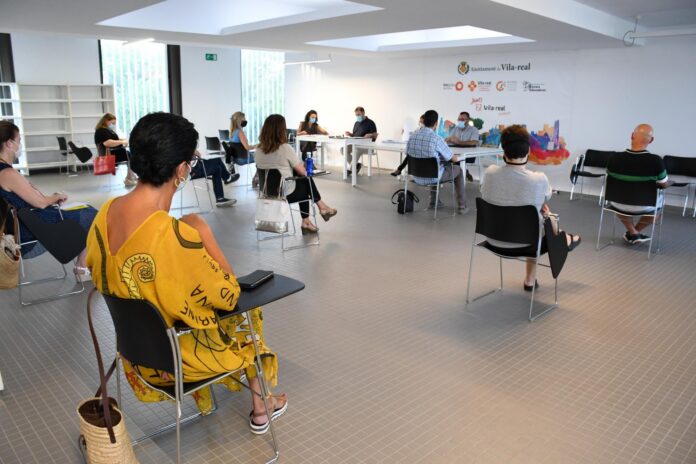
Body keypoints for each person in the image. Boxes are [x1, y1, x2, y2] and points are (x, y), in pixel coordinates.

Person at [85, 112, 287, 434]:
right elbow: (229, 294)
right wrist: (203, 232)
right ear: (181, 170)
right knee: (247, 313)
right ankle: (262, 403)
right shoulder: (173, 236)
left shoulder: (104, 213)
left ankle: (217, 403)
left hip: (136, 357)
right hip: (177, 361)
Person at [481, 124, 581, 291]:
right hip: (527, 244)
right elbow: (546, 196)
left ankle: (531, 279)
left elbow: (486, 194)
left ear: (503, 150)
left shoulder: (490, 172)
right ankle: (566, 240)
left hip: (492, 240)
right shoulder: (538, 179)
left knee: (533, 220)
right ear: (528, 151)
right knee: (543, 220)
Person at [0, 120, 97, 277]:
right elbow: (40, 202)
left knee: (86, 210)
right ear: (9, 143)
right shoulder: (8, 174)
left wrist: (50, 199)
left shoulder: (5, 172)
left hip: (23, 227)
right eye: (19, 140)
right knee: (93, 215)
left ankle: (82, 265)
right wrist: (56, 196)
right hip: (32, 232)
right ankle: (82, 266)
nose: (20, 145)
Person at [255, 114, 337, 234]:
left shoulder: (258, 150)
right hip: (285, 193)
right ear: (281, 130)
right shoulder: (285, 148)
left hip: (267, 193)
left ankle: (309, 219)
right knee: (305, 179)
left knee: (302, 180)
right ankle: (320, 208)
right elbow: (303, 172)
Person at [606, 124, 669, 245]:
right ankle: (635, 232)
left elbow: (609, 176)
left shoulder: (614, 158)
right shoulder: (656, 161)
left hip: (617, 203)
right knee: (659, 207)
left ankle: (633, 232)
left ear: (631, 136)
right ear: (651, 140)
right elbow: (664, 185)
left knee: (622, 199)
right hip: (645, 205)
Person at [406, 109, 468, 213]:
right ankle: (462, 206)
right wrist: (461, 158)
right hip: (433, 177)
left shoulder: (412, 136)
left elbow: (407, 154)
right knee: (458, 170)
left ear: (423, 121)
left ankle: (434, 202)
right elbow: (453, 159)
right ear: (436, 123)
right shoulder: (436, 139)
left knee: (436, 166)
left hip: (416, 176)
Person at [94, 113, 138, 187]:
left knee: (129, 154)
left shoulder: (107, 130)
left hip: (113, 152)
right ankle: (130, 178)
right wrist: (122, 142)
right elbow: (107, 143)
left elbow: (114, 139)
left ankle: (131, 177)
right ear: (106, 121)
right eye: (112, 123)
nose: (113, 125)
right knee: (129, 155)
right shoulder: (101, 131)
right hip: (109, 154)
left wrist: (123, 140)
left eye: (114, 123)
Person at [343, 106, 378, 176]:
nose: (357, 116)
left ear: (363, 113)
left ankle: (350, 169)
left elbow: (375, 135)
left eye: (359, 114)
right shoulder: (356, 123)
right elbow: (355, 136)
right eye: (356, 115)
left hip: (367, 146)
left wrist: (370, 135)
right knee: (343, 150)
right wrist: (350, 134)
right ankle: (356, 166)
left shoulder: (371, 123)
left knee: (357, 149)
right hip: (355, 144)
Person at [445, 111, 479, 181]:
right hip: (456, 154)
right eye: (459, 119)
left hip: (469, 155)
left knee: (455, 160)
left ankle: (460, 175)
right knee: (444, 158)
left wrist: (459, 142)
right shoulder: (455, 128)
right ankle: (463, 172)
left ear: (468, 120)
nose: (460, 121)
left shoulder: (474, 130)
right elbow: (448, 139)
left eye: (462, 119)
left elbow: (474, 142)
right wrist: (449, 139)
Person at [229, 111, 258, 187]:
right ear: (239, 121)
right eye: (244, 119)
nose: (245, 121)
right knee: (262, 158)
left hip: (236, 159)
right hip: (243, 159)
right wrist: (257, 145)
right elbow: (247, 147)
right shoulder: (239, 132)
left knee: (259, 156)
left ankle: (256, 178)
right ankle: (256, 179)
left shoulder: (232, 132)